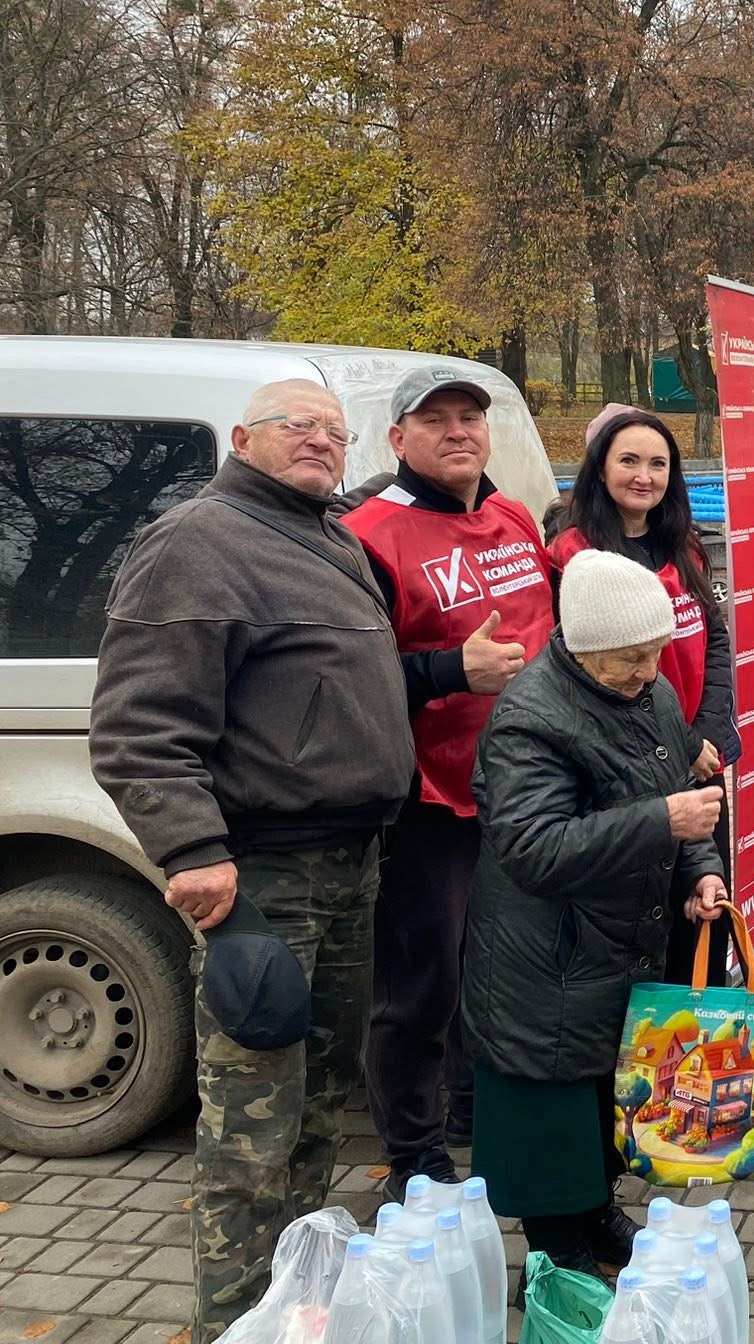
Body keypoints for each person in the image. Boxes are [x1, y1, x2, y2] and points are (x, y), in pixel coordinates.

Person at [89, 380, 415, 1342]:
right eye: (297, 427)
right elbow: (138, 729)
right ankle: (233, 1322)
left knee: (318, 1108)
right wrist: (194, 854)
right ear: (242, 439)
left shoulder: (330, 536)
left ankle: (296, 1309)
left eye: (334, 433)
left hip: (349, 866)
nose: (320, 443)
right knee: (250, 1130)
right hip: (263, 879)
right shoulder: (200, 540)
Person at [464, 549, 726, 1277]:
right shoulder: (529, 719)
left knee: (603, 1103)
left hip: (615, 948)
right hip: (544, 959)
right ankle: (556, 1259)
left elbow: (684, 804)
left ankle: (598, 1212)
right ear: (581, 648)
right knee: (551, 1115)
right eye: (630, 659)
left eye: (655, 654)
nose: (648, 672)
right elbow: (531, 847)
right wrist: (662, 823)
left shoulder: (653, 696)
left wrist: (700, 876)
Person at [340, 367, 554, 1198]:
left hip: (526, 791)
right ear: (398, 440)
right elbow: (342, 681)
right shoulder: (368, 536)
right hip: (429, 800)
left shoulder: (509, 516)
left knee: (506, 975)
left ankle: (477, 1115)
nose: (459, 431)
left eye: (471, 416)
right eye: (436, 420)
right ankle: (413, 1160)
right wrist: (446, 670)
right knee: (420, 988)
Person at [548, 407, 736, 980]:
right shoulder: (574, 554)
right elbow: (577, 675)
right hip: (626, 764)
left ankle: (693, 1038)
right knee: (643, 918)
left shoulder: (684, 544)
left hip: (699, 758)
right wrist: (678, 741)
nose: (644, 476)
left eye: (658, 464)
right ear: (599, 468)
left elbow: (715, 640)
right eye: (628, 460)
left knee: (706, 906)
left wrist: (702, 732)